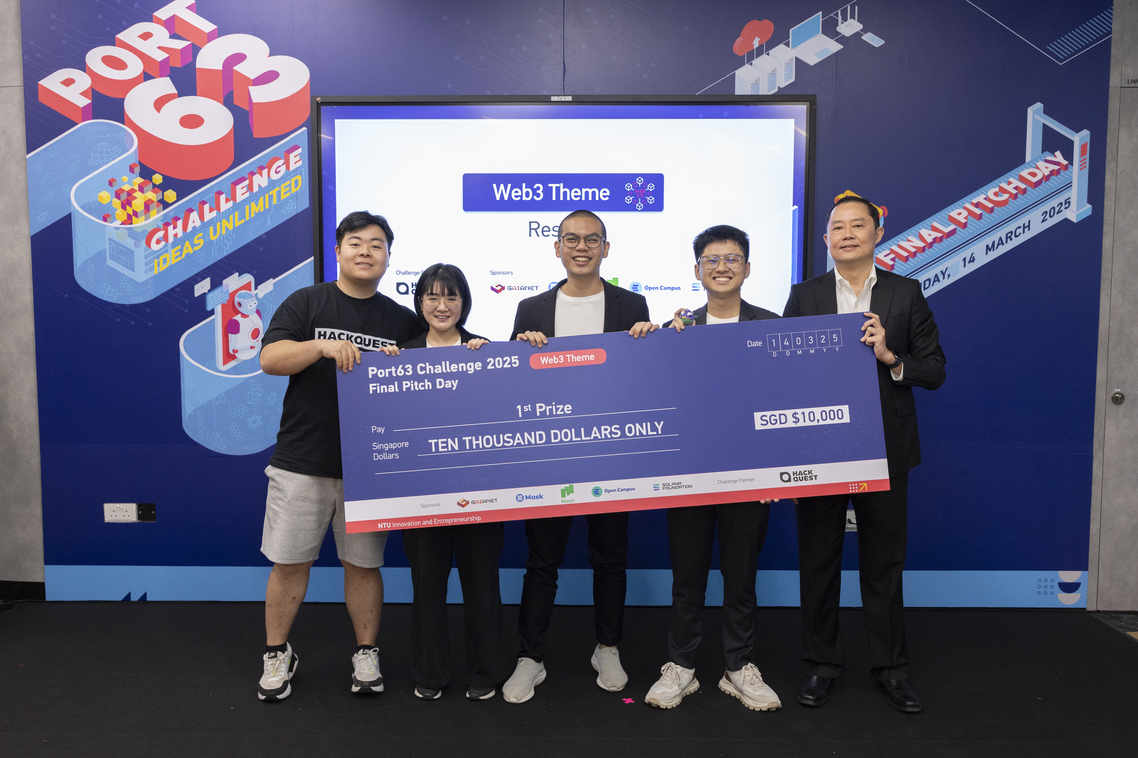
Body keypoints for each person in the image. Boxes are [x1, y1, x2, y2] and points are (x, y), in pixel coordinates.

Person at [783, 195, 946, 713]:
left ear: (877, 234)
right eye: (838, 227)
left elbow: (934, 369)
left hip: (885, 450)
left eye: (858, 226)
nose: (847, 234)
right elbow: (783, 377)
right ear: (826, 239)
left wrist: (890, 356)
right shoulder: (804, 295)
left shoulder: (905, 292)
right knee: (819, 562)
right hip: (822, 449)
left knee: (884, 565)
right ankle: (820, 665)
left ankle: (891, 670)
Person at [255, 211, 422, 701]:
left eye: (376, 244)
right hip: (302, 461)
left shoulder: (401, 320)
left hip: (370, 467)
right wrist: (321, 346)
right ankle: (276, 652)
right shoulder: (307, 302)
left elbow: (442, 364)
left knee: (364, 566)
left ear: (388, 256)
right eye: (356, 242)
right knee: (289, 564)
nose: (366, 251)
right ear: (338, 251)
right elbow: (270, 360)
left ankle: (366, 652)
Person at [502, 209, 657, 703]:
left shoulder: (633, 304)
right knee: (541, 562)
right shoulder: (530, 308)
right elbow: (513, 384)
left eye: (592, 239)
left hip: (611, 454)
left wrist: (649, 343)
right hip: (550, 457)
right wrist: (521, 349)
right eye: (572, 238)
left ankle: (607, 648)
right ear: (557, 248)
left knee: (610, 558)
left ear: (606, 249)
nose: (582, 247)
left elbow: (643, 379)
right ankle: (530, 657)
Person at [643, 224, 783, 712]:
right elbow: (658, 394)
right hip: (690, 476)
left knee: (741, 578)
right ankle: (681, 666)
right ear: (697, 269)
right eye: (712, 260)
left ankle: (737, 667)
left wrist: (774, 471)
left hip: (750, 477)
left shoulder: (771, 325)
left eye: (732, 258)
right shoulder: (679, 330)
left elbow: (782, 400)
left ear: (748, 268)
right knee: (688, 578)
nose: (722, 267)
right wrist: (650, 341)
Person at [379, 263, 505, 702]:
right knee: (427, 588)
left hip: (479, 494)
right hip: (422, 498)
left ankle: (485, 674)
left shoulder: (484, 352)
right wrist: (383, 373)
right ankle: (429, 674)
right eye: (432, 296)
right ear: (419, 303)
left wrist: (489, 364)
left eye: (451, 297)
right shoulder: (399, 357)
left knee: (482, 587)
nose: (442, 305)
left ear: (464, 303)